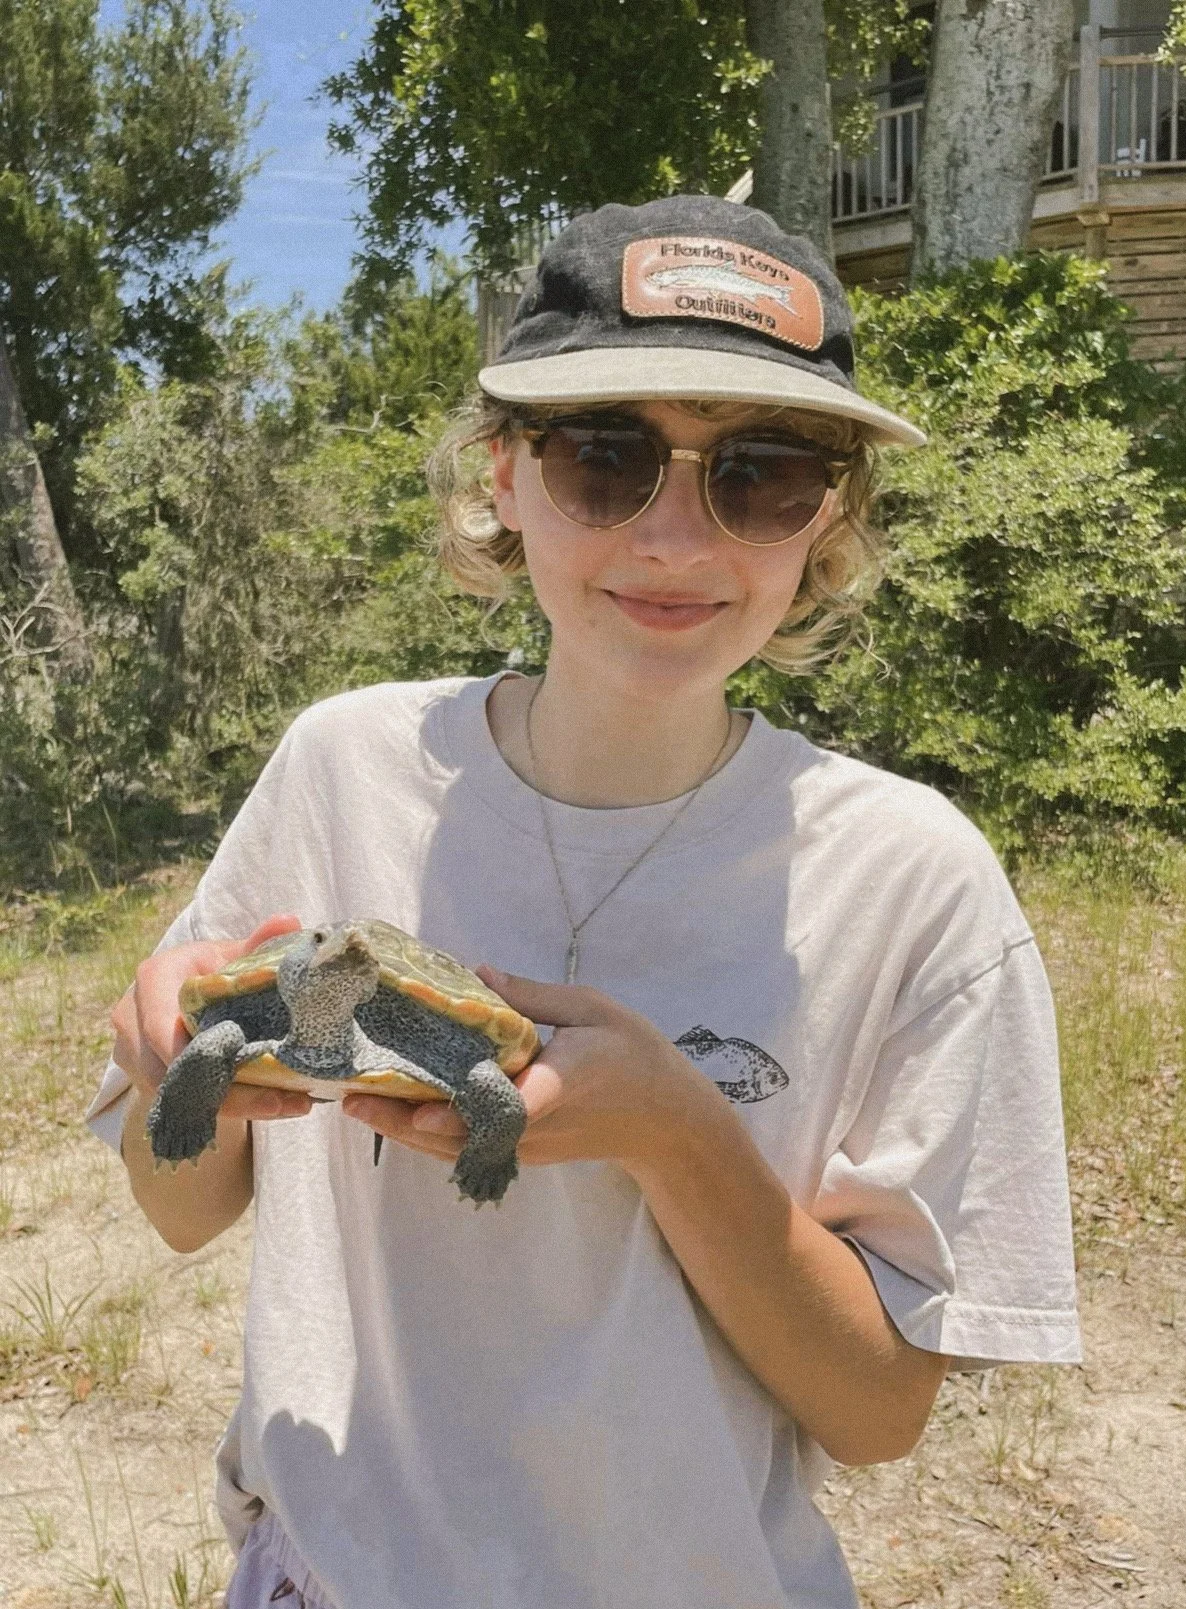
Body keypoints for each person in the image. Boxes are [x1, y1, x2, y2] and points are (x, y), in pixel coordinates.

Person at [87, 195, 1081, 1609]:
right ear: (501, 475)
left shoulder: (909, 878)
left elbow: (879, 1417)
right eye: (604, 459)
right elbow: (181, 1210)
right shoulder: (343, 769)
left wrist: (675, 1133)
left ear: (832, 518)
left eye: (763, 474)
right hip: (329, 1570)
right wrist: (179, 1059)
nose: (676, 535)